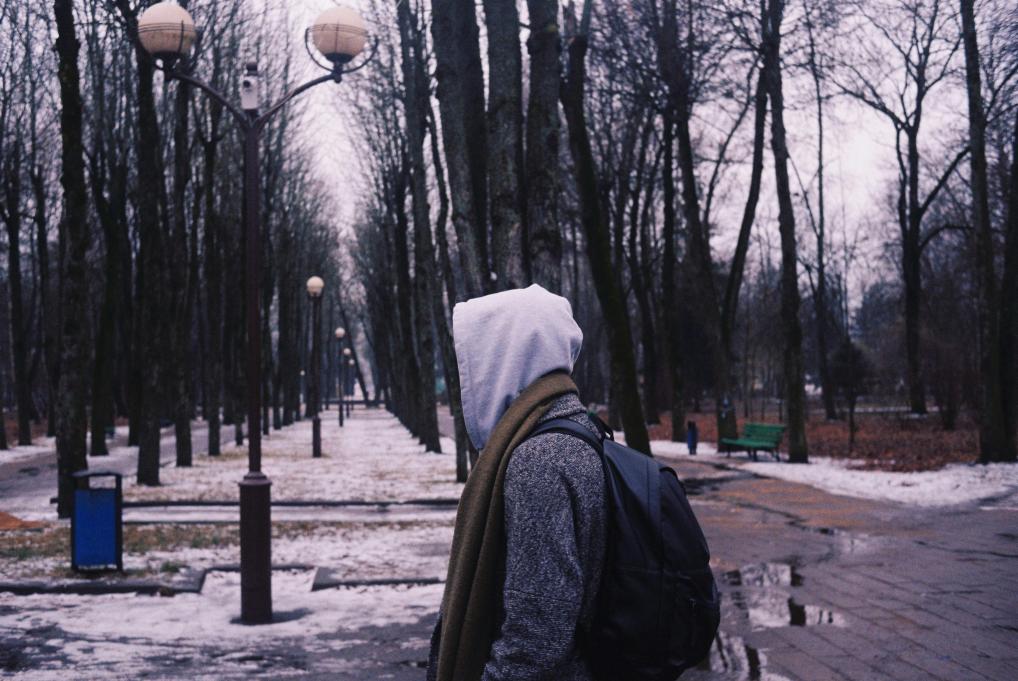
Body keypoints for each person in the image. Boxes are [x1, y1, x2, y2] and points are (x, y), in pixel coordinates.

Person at [427, 284, 606, 681]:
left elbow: (536, 637)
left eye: (478, 360)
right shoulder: (575, 430)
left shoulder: (539, 461)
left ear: (506, 358)